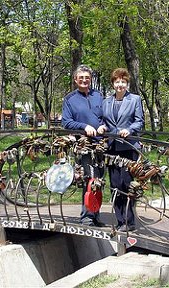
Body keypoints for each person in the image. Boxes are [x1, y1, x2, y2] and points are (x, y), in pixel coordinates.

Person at [97, 68, 144, 232]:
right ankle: (120, 221)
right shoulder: (106, 102)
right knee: (115, 185)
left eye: (123, 82)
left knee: (126, 184)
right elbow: (104, 120)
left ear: (127, 83)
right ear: (113, 83)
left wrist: (130, 129)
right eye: (117, 82)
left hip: (128, 147)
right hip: (112, 148)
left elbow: (139, 121)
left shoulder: (135, 99)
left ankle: (129, 221)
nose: (120, 85)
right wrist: (102, 126)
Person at [61, 64, 105, 227]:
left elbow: (105, 117)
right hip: (84, 146)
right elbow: (66, 122)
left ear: (91, 79)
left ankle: (95, 214)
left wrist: (103, 126)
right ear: (75, 80)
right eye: (81, 78)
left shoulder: (99, 96)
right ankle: (87, 217)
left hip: (101, 144)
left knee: (99, 180)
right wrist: (84, 127)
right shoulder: (70, 99)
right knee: (89, 180)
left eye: (87, 77)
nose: (84, 80)